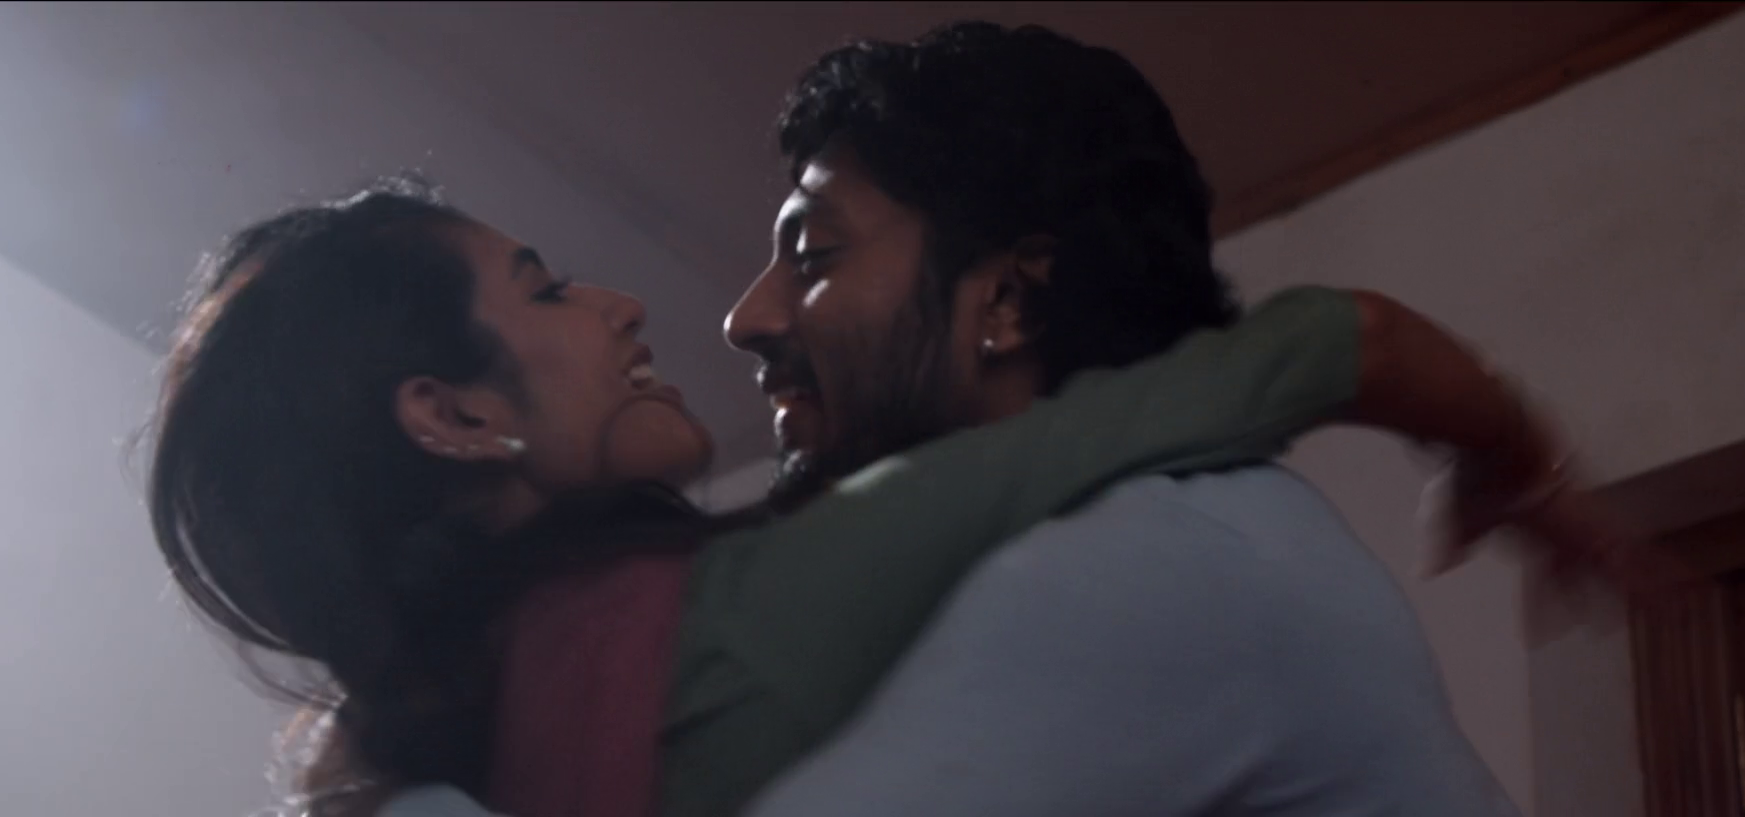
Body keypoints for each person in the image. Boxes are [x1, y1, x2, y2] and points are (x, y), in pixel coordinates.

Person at [694, 21, 1620, 817]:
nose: (746, 318)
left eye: (813, 252)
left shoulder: (1118, 557)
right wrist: (1506, 451)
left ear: (1006, 300)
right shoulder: (1158, 518)